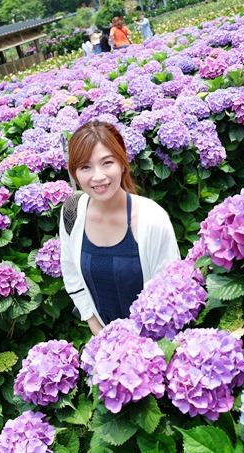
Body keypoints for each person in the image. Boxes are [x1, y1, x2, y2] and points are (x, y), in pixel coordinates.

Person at [59, 121, 180, 335]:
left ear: (123, 163)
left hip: (155, 346)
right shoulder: (72, 211)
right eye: (85, 167)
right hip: (106, 348)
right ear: (75, 173)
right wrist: (94, 325)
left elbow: (171, 294)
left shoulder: (152, 219)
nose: (98, 176)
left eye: (107, 162)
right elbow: (70, 271)